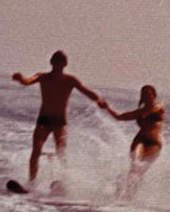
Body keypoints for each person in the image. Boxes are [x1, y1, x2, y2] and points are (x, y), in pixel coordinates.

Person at [12, 50, 108, 182]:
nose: (58, 65)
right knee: (36, 151)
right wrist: (21, 78)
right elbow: (28, 81)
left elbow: (86, 91)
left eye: (61, 62)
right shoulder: (43, 77)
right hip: (44, 120)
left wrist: (99, 100)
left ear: (65, 64)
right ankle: (31, 182)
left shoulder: (70, 80)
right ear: (51, 62)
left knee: (61, 153)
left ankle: (62, 182)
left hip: (60, 121)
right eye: (56, 61)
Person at [103, 84, 165, 197]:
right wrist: (106, 107)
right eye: (143, 94)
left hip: (154, 144)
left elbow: (157, 108)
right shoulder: (139, 112)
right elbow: (119, 117)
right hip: (140, 140)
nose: (146, 96)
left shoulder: (159, 107)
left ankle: (130, 194)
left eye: (149, 94)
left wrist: (146, 111)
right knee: (135, 166)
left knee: (140, 171)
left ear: (154, 96)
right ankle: (124, 192)